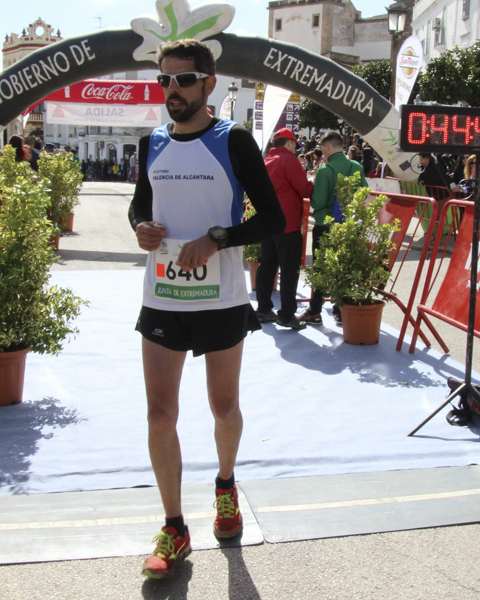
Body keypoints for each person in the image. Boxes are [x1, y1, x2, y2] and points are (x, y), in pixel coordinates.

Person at [128, 39, 284, 581]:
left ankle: (225, 486)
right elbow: (139, 207)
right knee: (158, 414)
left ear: (208, 84)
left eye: (184, 80)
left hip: (220, 295)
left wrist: (218, 238)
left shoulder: (233, 140)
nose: (173, 90)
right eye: (165, 81)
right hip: (164, 294)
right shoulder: (151, 142)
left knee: (223, 408)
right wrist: (140, 229)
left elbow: (273, 218)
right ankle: (174, 526)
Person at [300, 130, 367, 325]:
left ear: (328, 147)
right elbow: (363, 193)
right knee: (343, 265)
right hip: (347, 223)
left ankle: (314, 310)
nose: (321, 150)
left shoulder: (325, 170)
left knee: (322, 267)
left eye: (322, 147)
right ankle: (339, 309)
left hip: (325, 223)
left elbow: (318, 202)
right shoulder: (356, 166)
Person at [257, 128, 312, 330]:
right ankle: (287, 314)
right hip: (287, 223)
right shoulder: (288, 160)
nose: (295, 150)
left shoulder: (266, 161)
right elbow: (304, 188)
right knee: (289, 270)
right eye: (294, 146)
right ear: (289, 144)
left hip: (268, 223)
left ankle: (263, 309)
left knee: (267, 266)